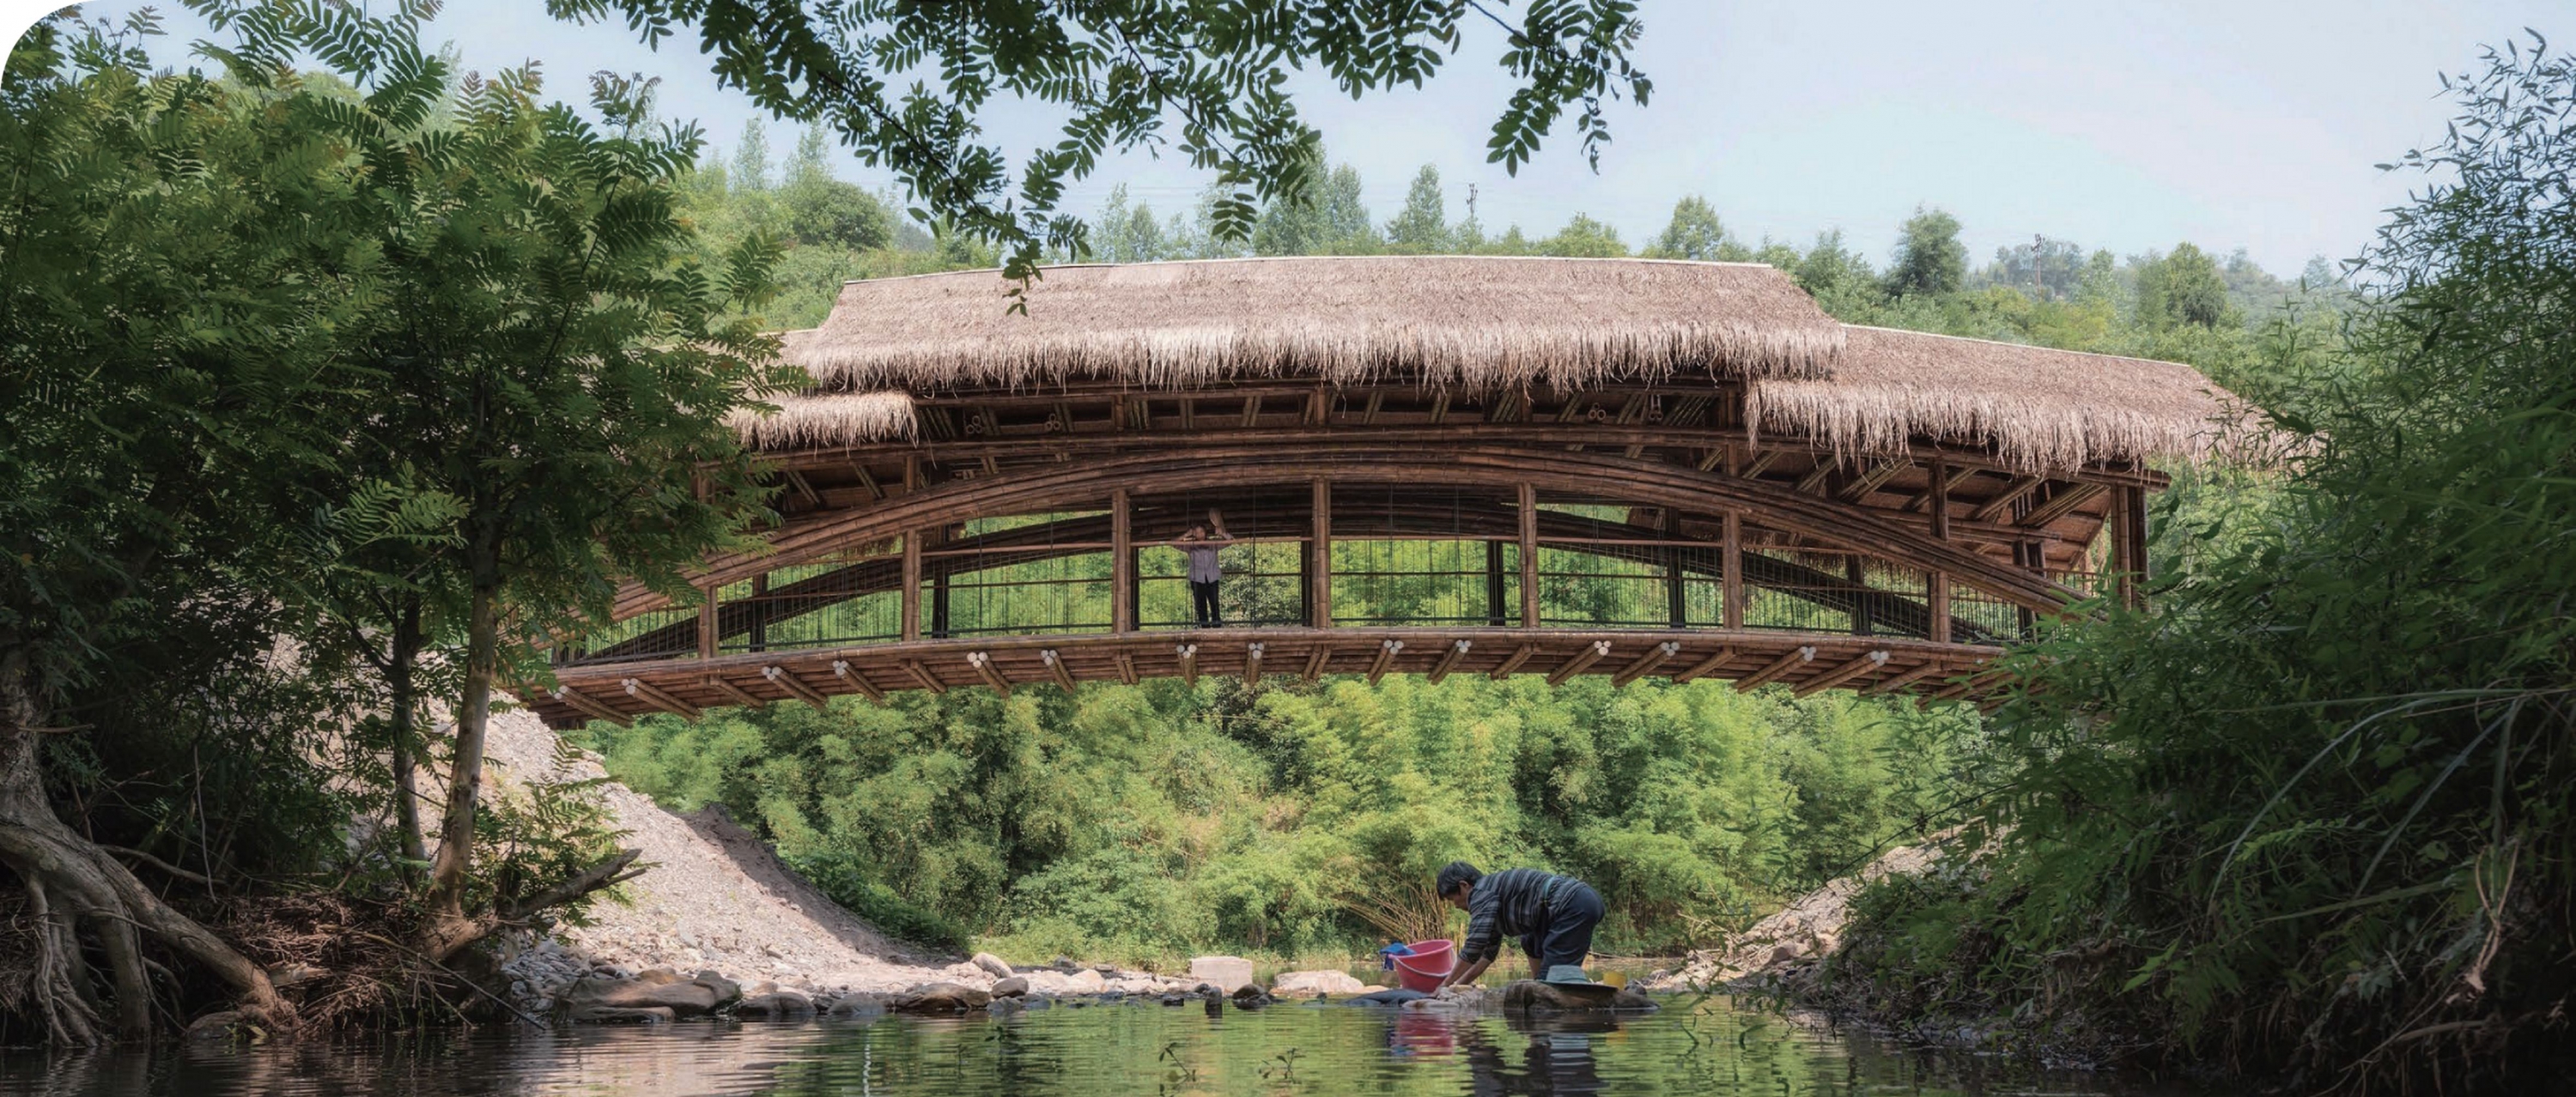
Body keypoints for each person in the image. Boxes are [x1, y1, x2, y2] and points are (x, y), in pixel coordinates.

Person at [1432, 861, 1605, 991]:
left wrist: (1445, 985)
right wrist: (1457, 986)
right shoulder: (1491, 898)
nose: (1455, 905)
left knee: (1552, 984)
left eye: (1451, 898)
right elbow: (1486, 955)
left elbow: (1473, 947)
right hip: (1573, 904)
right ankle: (1545, 985)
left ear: (1464, 886)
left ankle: (1557, 992)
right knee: (1529, 940)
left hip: (1572, 904)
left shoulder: (1481, 892)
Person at [1176, 510, 1231, 627]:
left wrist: (1222, 533)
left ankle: (1217, 626)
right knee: (1200, 604)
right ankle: (1204, 626)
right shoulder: (1190, 546)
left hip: (1212, 577)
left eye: (1201, 531)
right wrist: (1186, 535)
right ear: (1194, 534)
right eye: (1196, 532)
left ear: (1205, 532)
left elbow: (1230, 542)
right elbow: (1173, 544)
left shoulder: (1213, 544)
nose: (1199, 534)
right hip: (1197, 579)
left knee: (1214, 603)